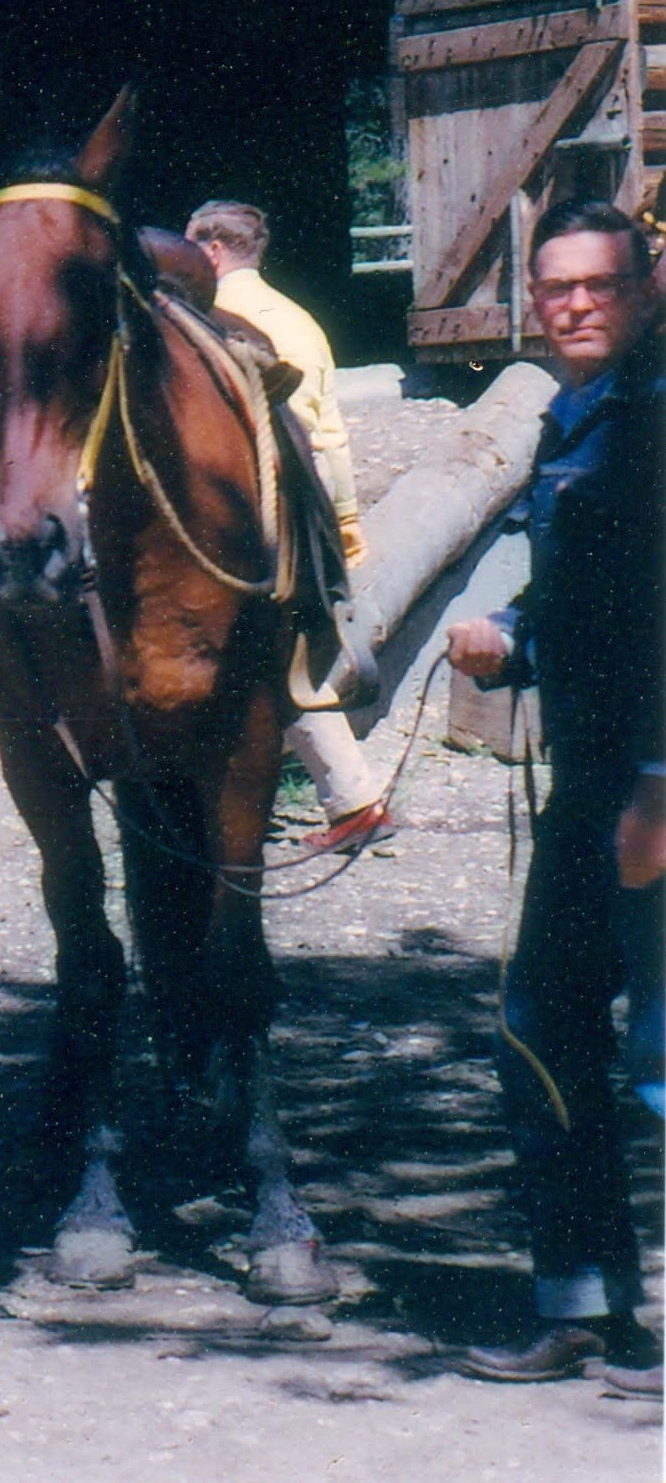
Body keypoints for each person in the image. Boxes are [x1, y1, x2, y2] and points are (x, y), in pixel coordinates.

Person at [446, 200, 663, 1393]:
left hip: (649, 796)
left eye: (600, 284)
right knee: (544, 1032)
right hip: (593, 789)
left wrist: (659, 787)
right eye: (556, 287)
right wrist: (514, 634)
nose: (576, 304)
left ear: (646, 287)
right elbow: (597, 592)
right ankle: (585, 1303)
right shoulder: (577, 414)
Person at [183, 200, 392, 855]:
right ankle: (349, 800)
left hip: (255, 507)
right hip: (308, 502)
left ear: (212, 251)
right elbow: (329, 435)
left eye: (190, 250)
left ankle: (348, 801)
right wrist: (345, 518)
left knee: (258, 652)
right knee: (286, 652)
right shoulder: (300, 320)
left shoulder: (212, 323)